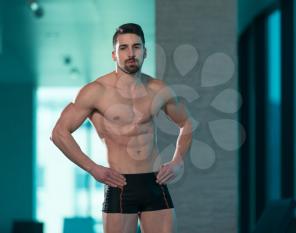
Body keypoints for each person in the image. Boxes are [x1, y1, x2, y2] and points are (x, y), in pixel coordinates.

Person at [50, 23, 192, 233]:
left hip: (155, 181)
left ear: (145, 52)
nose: (131, 53)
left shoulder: (158, 89)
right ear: (114, 55)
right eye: (123, 48)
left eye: (136, 47)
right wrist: (92, 168)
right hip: (120, 184)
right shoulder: (95, 91)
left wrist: (178, 162)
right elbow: (58, 133)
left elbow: (186, 123)